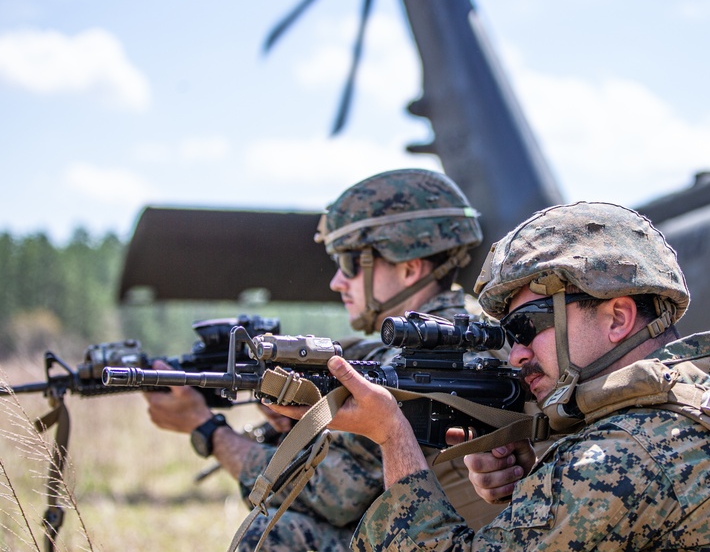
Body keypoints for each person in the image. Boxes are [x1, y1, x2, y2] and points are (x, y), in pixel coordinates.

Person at [271, 200, 710, 549]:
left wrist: (393, 439)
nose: (514, 355)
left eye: (526, 327)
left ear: (618, 317)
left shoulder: (617, 460)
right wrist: (539, 465)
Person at [143, 168, 507, 551]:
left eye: (350, 262)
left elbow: (330, 495)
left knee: (271, 535)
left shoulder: (419, 361)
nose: (336, 281)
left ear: (409, 267)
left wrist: (208, 431)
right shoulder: (475, 330)